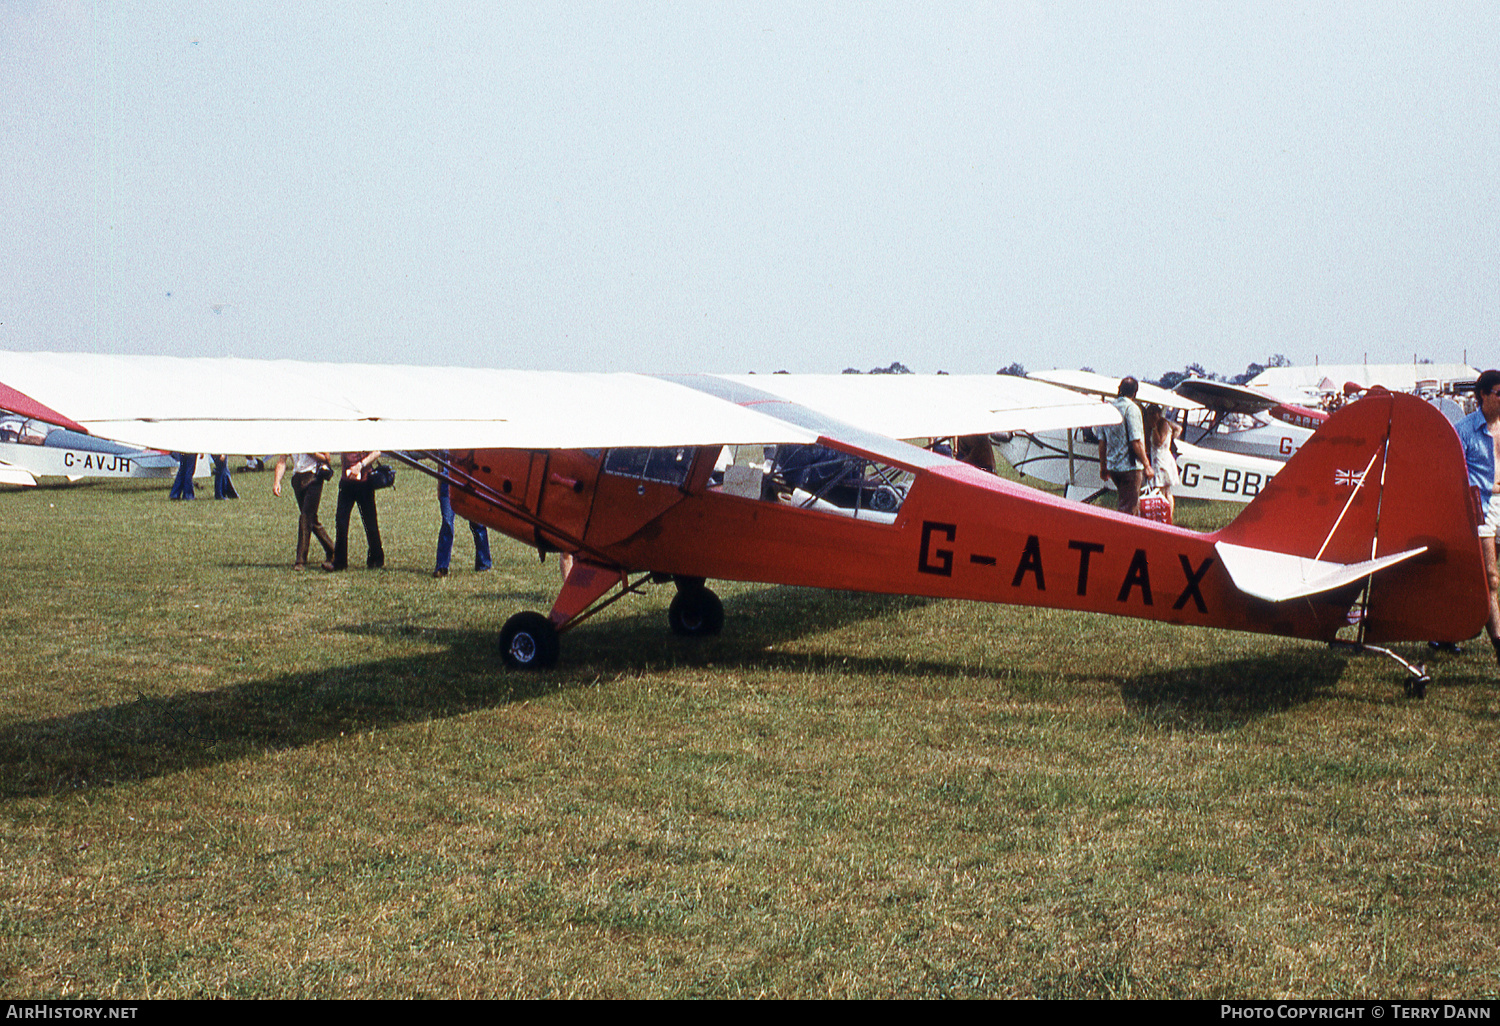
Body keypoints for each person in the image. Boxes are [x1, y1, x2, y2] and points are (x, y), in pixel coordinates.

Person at [1455, 369, 1500, 665]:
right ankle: (1499, 647)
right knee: (1491, 580)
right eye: (1499, 393)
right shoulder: (1465, 430)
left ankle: (1446, 633)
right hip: (1481, 508)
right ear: (1483, 395)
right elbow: (1451, 470)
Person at [1098, 377, 1153, 516]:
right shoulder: (1132, 409)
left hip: (1113, 467)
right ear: (1135, 393)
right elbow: (1136, 441)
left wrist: (1103, 467)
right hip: (1130, 468)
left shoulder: (1108, 408)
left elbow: (1102, 441)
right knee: (1129, 509)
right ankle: (1123, 535)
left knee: (1127, 503)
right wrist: (1147, 465)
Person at [272, 453, 336, 570]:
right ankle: (333, 550)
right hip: (297, 479)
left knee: (305, 517)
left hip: (313, 478)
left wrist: (311, 452)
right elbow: (282, 460)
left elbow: (327, 458)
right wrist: (277, 482)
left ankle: (300, 560)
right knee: (311, 520)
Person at [328, 451, 385, 571]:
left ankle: (376, 558)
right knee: (341, 522)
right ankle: (339, 562)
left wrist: (360, 465)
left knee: (370, 523)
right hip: (346, 482)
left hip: (364, 483)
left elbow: (376, 452)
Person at [434, 475, 491, 578]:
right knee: (447, 523)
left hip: (468, 480)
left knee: (477, 522)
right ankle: (442, 567)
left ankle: (484, 563)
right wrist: (439, 485)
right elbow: (441, 465)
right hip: (447, 482)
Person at [1143, 405, 1183, 521]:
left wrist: (1154, 427)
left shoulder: (1163, 424)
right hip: (1158, 458)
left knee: (1164, 490)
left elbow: (1158, 442)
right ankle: (1163, 515)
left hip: (1162, 460)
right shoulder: (1164, 423)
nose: (1150, 416)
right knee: (1162, 490)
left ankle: (1168, 515)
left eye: (1152, 413)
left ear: (1158, 413)